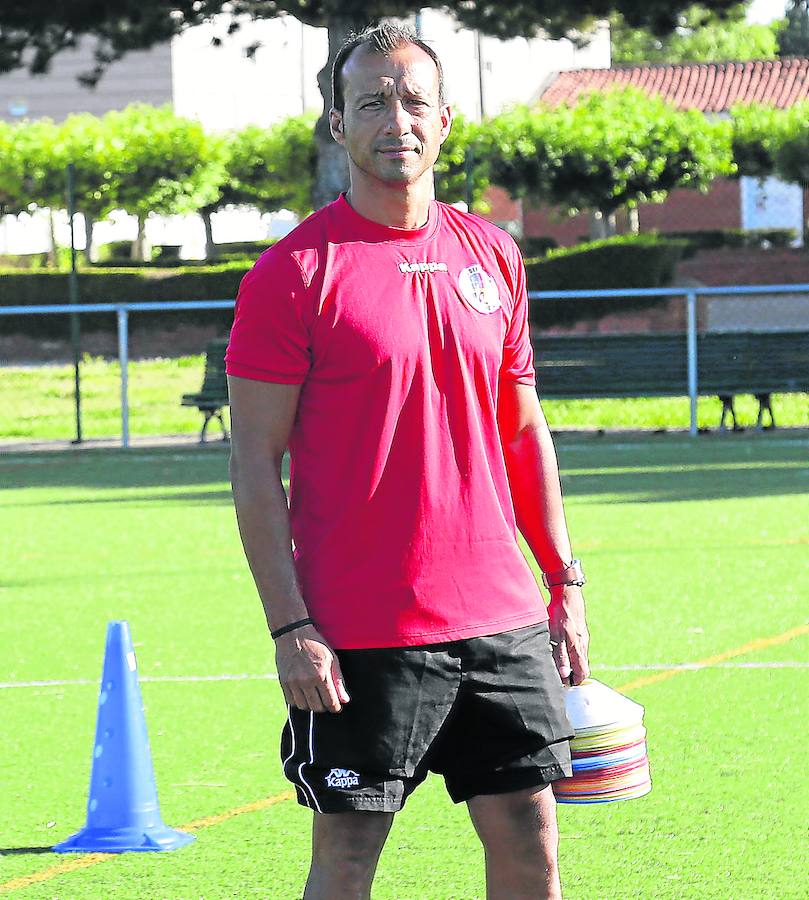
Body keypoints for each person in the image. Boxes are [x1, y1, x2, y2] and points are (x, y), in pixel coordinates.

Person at [225, 22, 590, 900]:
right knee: (347, 857)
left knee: (529, 840)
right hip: (358, 629)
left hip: (501, 621)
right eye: (371, 103)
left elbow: (522, 431)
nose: (397, 120)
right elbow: (251, 466)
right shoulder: (291, 274)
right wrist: (289, 628)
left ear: (446, 120)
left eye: (414, 100)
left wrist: (563, 581)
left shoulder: (492, 254)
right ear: (336, 125)